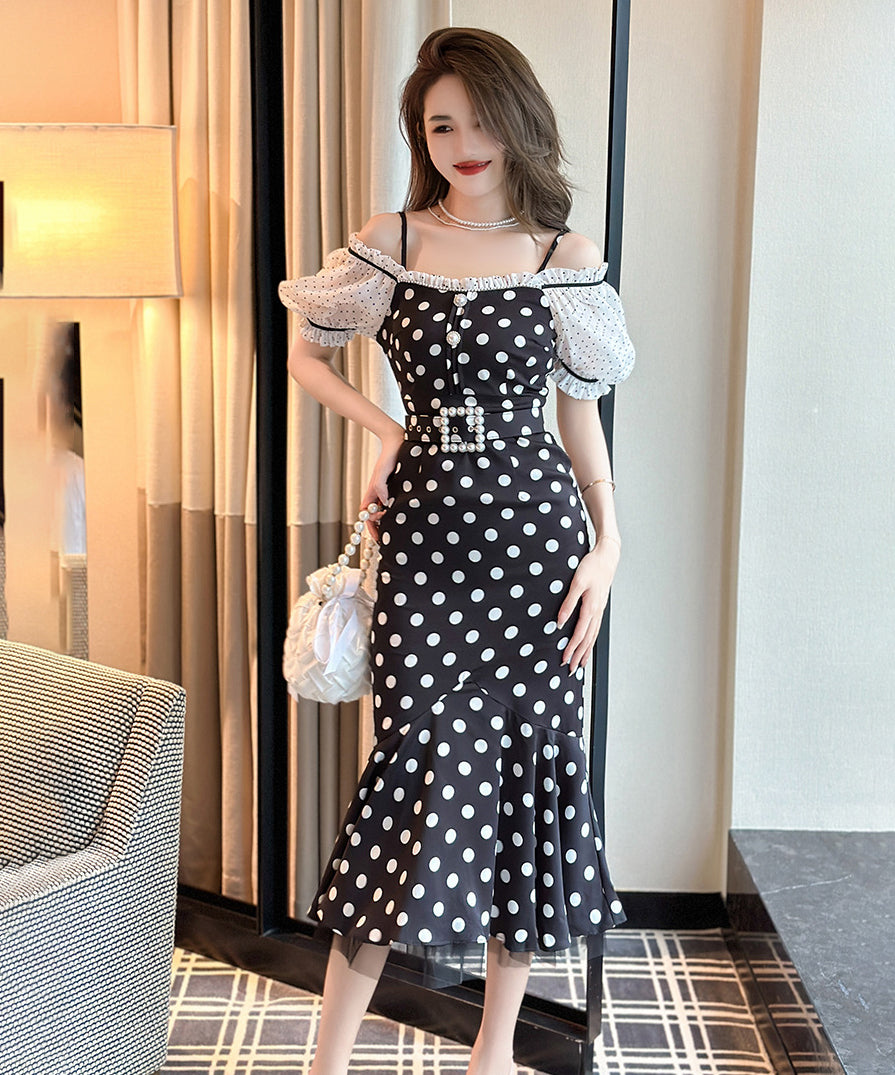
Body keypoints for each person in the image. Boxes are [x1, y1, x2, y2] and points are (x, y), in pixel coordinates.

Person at [280, 26, 635, 1075]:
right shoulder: (389, 239)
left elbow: (579, 418)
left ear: (517, 122)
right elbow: (306, 352)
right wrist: (384, 429)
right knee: (406, 783)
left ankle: (493, 1051)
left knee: (528, 783)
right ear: (419, 135)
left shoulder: (561, 257)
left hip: (538, 549)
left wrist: (609, 545)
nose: (463, 143)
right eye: (441, 125)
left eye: (480, 120)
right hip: (427, 546)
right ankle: (326, 1061)